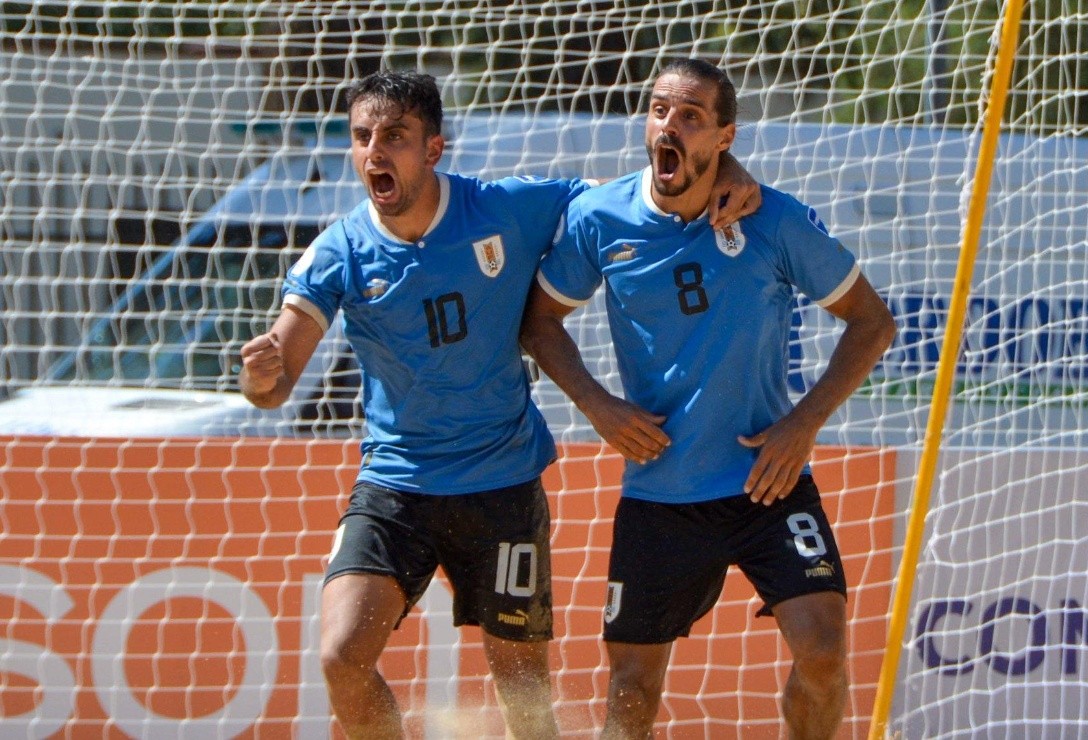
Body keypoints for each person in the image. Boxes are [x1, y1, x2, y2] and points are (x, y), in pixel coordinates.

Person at [237, 69, 761, 739]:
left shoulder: (506, 209)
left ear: (433, 149)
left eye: (394, 137)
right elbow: (277, 381)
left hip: (502, 486)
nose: (374, 153)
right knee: (341, 656)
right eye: (362, 137)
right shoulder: (338, 251)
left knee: (522, 688)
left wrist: (731, 165)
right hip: (397, 487)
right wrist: (262, 379)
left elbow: (646, 193)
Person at [519, 58, 897, 739]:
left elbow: (874, 323)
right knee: (632, 690)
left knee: (824, 655)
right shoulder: (600, 218)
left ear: (724, 137)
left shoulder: (772, 219)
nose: (669, 124)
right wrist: (598, 406)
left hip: (766, 480)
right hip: (662, 490)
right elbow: (538, 320)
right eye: (660, 108)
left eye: (691, 115)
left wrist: (803, 424)